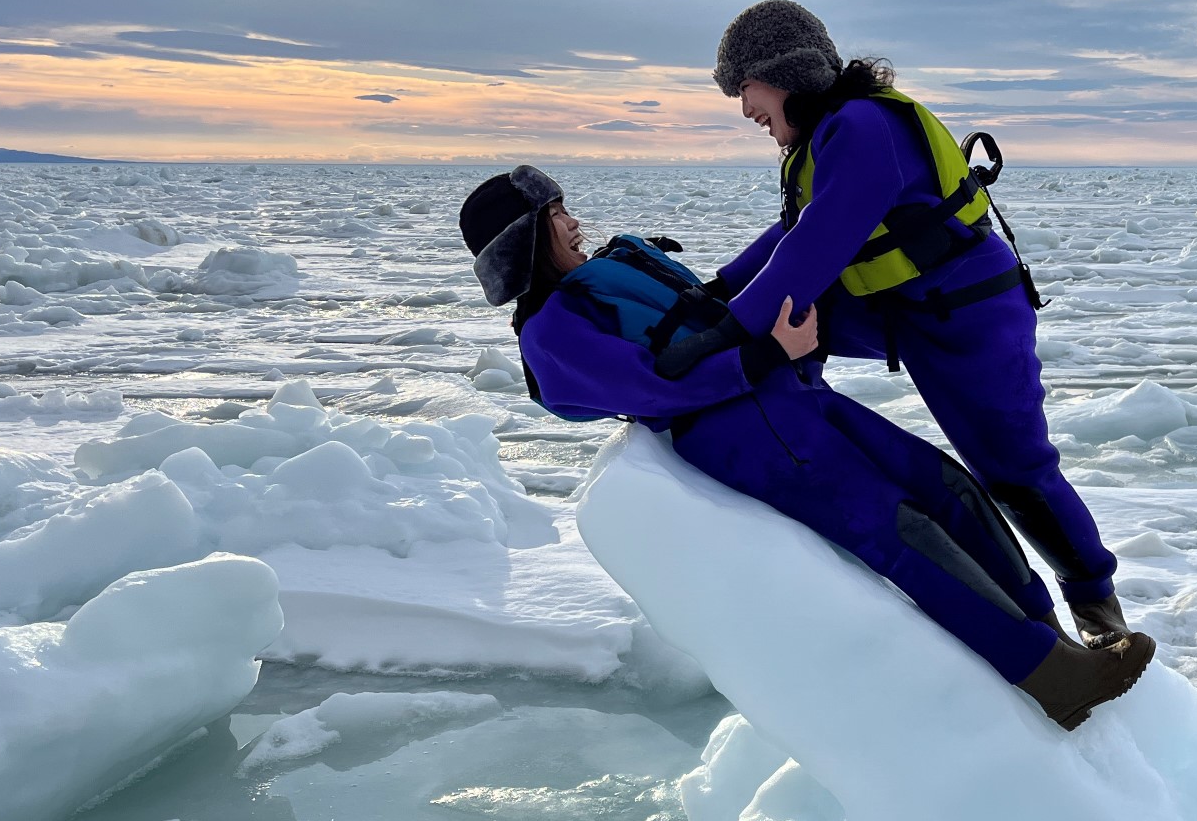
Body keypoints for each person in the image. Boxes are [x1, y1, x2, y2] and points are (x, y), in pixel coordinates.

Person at [459, 164, 1155, 730]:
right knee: (900, 533)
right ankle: (1049, 676)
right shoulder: (549, 332)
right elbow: (656, 387)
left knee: (948, 489)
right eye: (556, 216)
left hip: (793, 400)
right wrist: (767, 355)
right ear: (525, 240)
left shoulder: (594, 286)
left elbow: (711, 306)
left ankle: (1050, 638)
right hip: (747, 434)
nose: (574, 222)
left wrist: (817, 217)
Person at [697, 0, 1133, 651]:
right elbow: (790, 236)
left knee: (1014, 473)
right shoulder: (824, 137)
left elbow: (813, 251)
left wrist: (713, 338)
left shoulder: (866, 129)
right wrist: (714, 293)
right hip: (894, 310)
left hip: (971, 317)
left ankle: (1098, 615)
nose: (745, 109)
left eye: (746, 89)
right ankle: (812, 474)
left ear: (785, 73)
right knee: (782, 336)